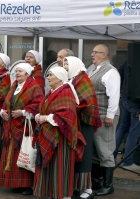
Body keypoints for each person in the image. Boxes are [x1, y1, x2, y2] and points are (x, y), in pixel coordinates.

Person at [34, 66, 80, 199]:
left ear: (59, 78)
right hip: (50, 133)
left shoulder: (66, 92)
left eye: (50, 75)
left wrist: (45, 118)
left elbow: (67, 116)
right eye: (47, 75)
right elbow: (46, 109)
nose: (47, 77)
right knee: (52, 167)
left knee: (61, 166)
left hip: (61, 137)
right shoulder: (52, 92)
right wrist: (39, 116)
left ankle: (63, 195)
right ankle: (52, 193)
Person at [0, 63, 43, 195]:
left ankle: (27, 185)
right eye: (16, 71)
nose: (17, 73)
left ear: (27, 74)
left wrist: (23, 112)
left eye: (20, 72)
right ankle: (14, 183)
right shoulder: (14, 87)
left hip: (24, 128)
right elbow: (5, 104)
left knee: (24, 154)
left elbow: (38, 106)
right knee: (12, 156)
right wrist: (3, 113)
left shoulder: (34, 87)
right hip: (11, 126)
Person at [63, 56, 102, 199]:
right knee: (76, 155)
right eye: (64, 63)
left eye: (67, 63)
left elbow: (87, 102)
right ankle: (77, 187)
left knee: (84, 155)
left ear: (74, 65)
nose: (65, 66)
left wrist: (71, 107)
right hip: (75, 122)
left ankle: (87, 189)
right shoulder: (72, 80)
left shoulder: (83, 80)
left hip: (85, 123)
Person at [86, 44, 120, 196]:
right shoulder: (92, 69)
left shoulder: (111, 72)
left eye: (96, 52)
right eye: (92, 52)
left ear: (105, 55)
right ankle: (97, 181)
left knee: (105, 149)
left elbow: (114, 96)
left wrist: (110, 116)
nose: (92, 54)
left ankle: (108, 185)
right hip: (94, 115)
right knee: (95, 149)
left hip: (105, 115)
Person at [114, 61, 140, 170]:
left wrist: (122, 89)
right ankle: (128, 162)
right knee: (134, 131)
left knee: (123, 128)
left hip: (125, 97)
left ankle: (111, 156)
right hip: (135, 102)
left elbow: (119, 72)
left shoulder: (130, 58)